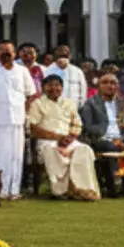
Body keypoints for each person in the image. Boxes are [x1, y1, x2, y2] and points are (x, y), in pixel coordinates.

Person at [27, 72, 100, 201]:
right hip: (47, 141)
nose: (54, 88)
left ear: (62, 87)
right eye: (50, 85)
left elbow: (77, 124)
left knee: (85, 149)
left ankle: (83, 190)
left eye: (57, 85)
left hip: (68, 140)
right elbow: (33, 128)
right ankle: (61, 191)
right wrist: (57, 137)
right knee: (52, 150)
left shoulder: (69, 103)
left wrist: (70, 138)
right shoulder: (37, 104)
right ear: (43, 88)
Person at [0, 39, 35, 201]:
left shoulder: (22, 71)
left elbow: (30, 93)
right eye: (1, 51)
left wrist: (24, 112)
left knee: (15, 157)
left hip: (16, 120)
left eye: (8, 52)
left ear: (14, 54)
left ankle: (13, 190)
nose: (5, 54)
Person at [80, 72, 124, 196]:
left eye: (113, 83)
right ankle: (112, 186)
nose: (110, 86)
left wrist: (122, 139)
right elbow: (87, 127)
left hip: (121, 139)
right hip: (100, 139)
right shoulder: (90, 103)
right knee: (110, 147)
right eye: (105, 83)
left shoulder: (123, 104)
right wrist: (109, 138)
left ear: (118, 86)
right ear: (99, 86)